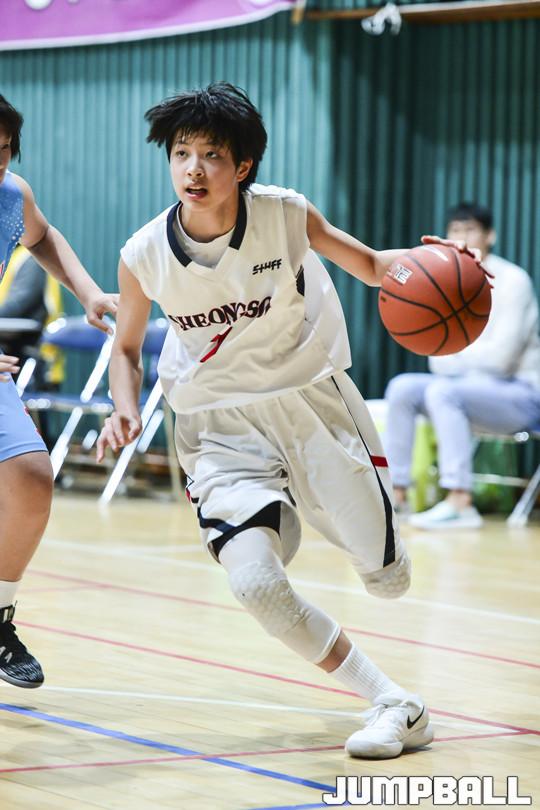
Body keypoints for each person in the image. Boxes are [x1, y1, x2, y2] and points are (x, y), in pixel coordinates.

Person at [95, 83, 478, 759]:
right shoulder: (143, 253)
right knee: (256, 586)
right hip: (217, 429)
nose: (192, 169)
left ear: (242, 165)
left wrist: (441, 266)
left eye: (211, 155)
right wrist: (124, 411)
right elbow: (125, 349)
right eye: (181, 154)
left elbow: (371, 266)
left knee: (390, 581)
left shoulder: (285, 214)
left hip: (309, 401)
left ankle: (293, 513)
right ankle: (395, 702)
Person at [0, 94, 118, 688]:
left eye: (2, 152)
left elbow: (41, 237)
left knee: (30, 475)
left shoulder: (10, 195)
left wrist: (89, 292)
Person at [385, 202, 540, 530]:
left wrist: (455, 355)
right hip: (463, 389)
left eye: (470, 230)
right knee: (402, 388)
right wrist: (458, 357)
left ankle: (460, 501)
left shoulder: (513, 281)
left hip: (522, 394)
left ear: (490, 236)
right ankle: (395, 494)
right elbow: (435, 359)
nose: (462, 237)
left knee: (443, 392)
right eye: (456, 230)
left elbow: (500, 361)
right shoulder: (443, 281)